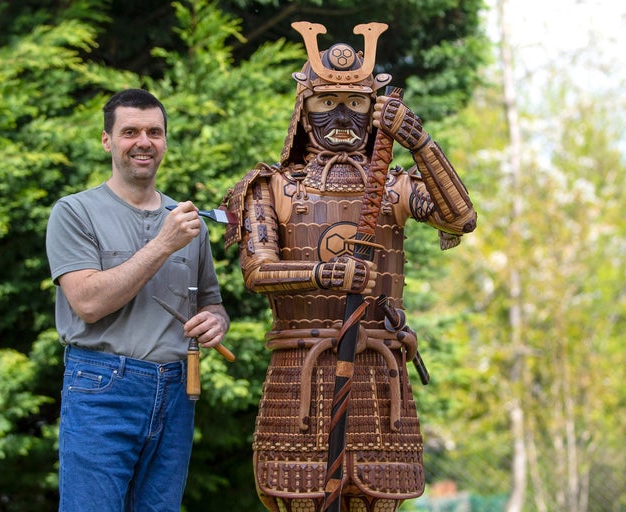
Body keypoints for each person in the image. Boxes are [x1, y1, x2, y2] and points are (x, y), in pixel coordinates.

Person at [222, 22, 477, 512]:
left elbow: (460, 218)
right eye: (327, 103)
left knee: (377, 500)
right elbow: (257, 271)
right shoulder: (271, 186)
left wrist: (420, 142)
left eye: (356, 104)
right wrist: (324, 275)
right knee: (296, 499)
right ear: (304, 109)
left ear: (372, 111)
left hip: (380, 376)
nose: (342, 115)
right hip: (301, 373)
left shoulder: (392, 186)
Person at [45, 88, 230, 512]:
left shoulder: (187, 222)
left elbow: (211, 302)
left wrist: (216, 322)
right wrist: (162, 244)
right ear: (107, 140)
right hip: (102, 387)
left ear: (165, 141)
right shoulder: (75, 212)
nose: (143, 142)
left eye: (154, 132)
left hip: (177, 390)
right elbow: (88, 304)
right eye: (130, 132)